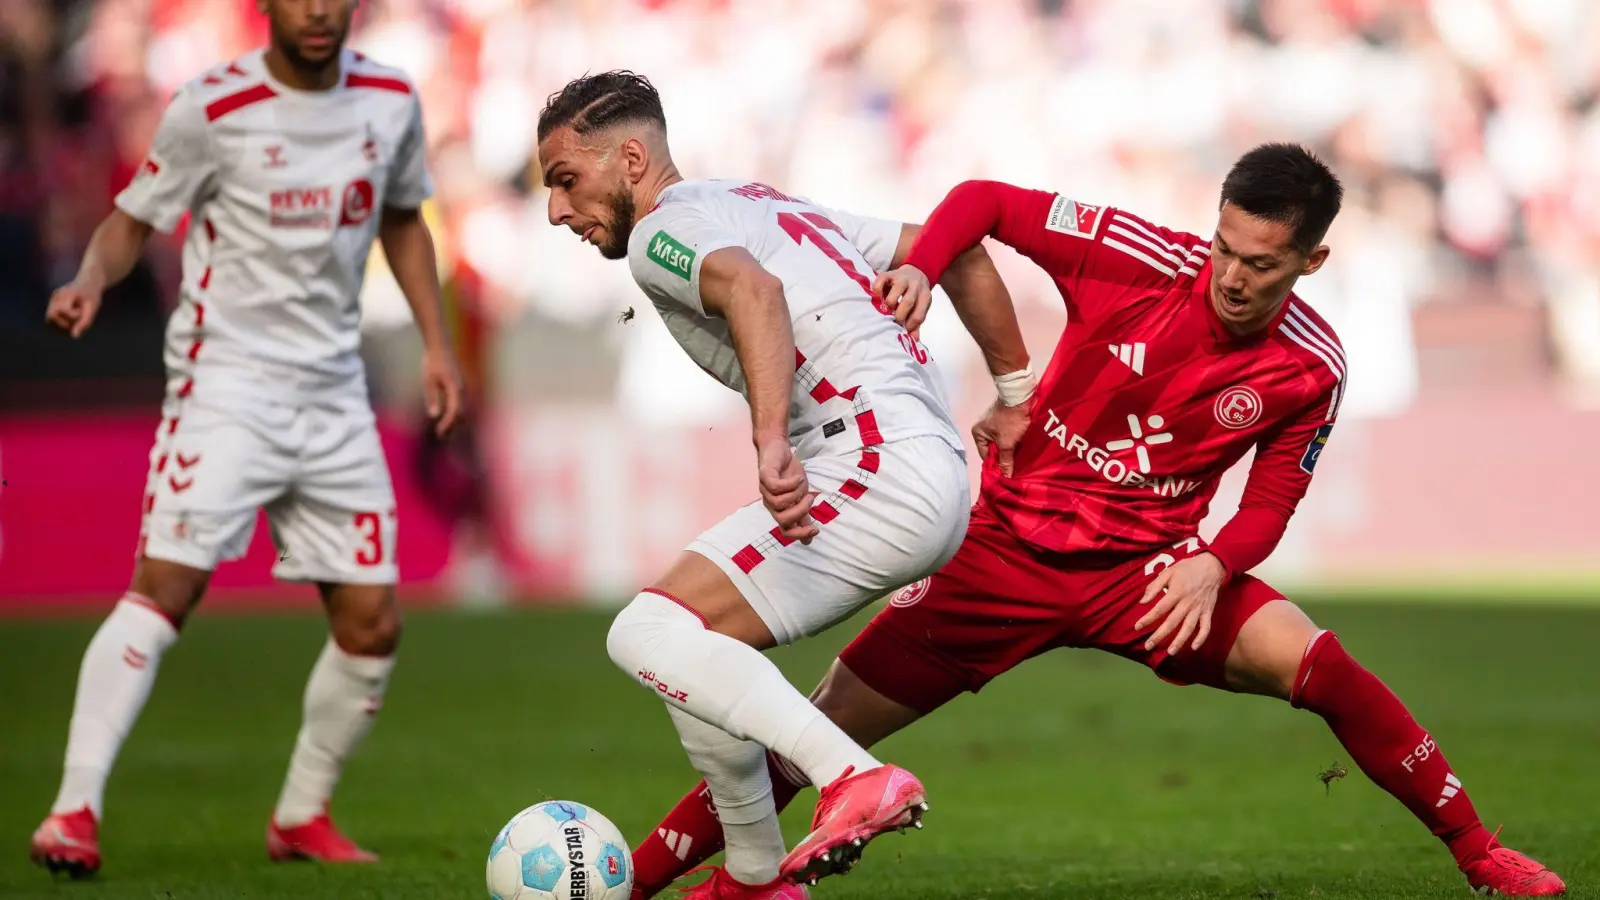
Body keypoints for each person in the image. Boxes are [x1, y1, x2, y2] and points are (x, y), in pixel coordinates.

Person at [625, 145, 1568, 899]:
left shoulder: (1312, 367)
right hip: (996, 558)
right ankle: (646, 884)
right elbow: (984, 200)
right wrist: (921, 267)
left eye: (1262, 264)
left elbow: (1273, 503)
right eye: (1226, 248)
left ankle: (1482, 855)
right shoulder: (1137, 256)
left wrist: (1212, 566)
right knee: (817, 727)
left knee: (1321, 665)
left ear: (1311, 260)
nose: (1231, 277)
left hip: (1149, 580)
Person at [536, 71, 1030, 899]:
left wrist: (771, 442)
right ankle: (757, 878)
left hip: (872, 467)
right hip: (924, 465)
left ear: (629, 160)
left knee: (642, 635)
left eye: (565, 180)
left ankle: (851, 778)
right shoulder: (759, 203)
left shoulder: (665, 233)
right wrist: (1017, 397)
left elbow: (753, 292)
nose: (556, 211)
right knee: (688, 643)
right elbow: (956, 250)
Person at [30, 0, 463, 877]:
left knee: (373, 623)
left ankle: (301, 816)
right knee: (166, 589)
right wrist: (87, 277)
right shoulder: (213, 107)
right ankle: (73, 808)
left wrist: (437, 344)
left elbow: (404, 219)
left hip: (335, 392)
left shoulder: (389, 98)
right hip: (226, 385)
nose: (316, 11)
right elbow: (132, 218)